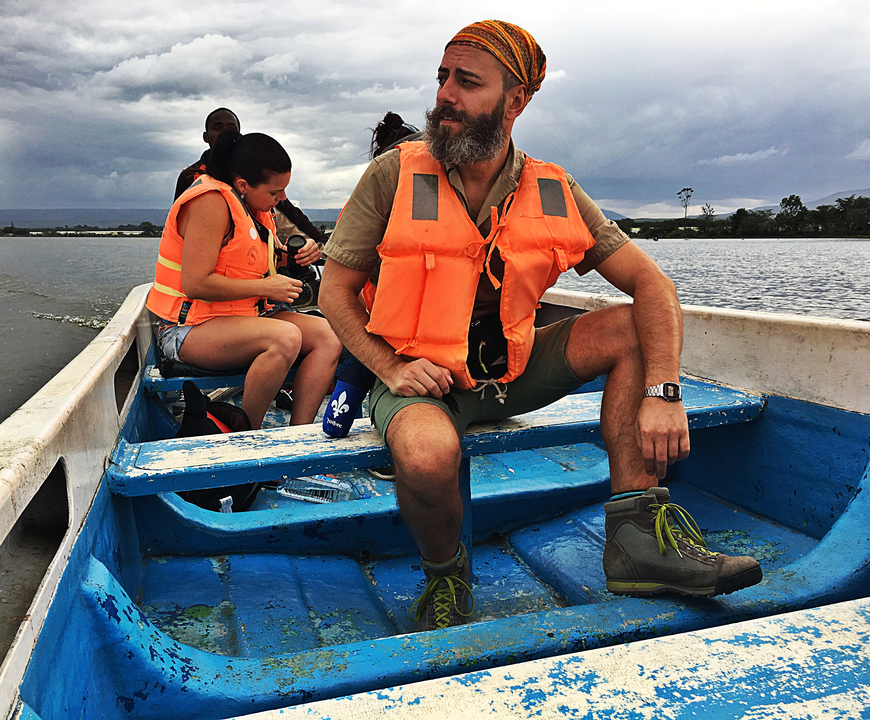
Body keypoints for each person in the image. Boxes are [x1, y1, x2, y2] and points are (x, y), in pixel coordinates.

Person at [319, 20, 762, 632]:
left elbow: (653, 286)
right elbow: (334, 291)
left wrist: (663, 392)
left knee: (633, 326)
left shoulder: (552, 188)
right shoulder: (393, 175)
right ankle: (447, 575)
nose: (445, 94)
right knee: (426, 456)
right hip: (421, 378)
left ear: (515, 101)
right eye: (443, 78)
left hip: (514, 372)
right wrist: (390, 367)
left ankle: (636, 543)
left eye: (467, 82)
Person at [149, 130, 342, 428]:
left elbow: (250, 261)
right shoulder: (210, 202)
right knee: (285, 338)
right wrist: (266, 287)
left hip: (244, 317)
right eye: (275, 192)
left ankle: (297, 434)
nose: (282, 198)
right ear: (243, 185)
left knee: (328, 337)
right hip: (186, 329)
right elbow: (195, 283)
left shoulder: (252, 209)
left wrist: (298, 254)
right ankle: (247, 433)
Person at [174, 108, 329, 247]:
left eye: (231, 128)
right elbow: (179, 228)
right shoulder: (193, 179)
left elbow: (289, 214)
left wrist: (321, 243)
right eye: (217, 128)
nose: (224, 132)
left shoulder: (253, 173)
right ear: (206, 136)